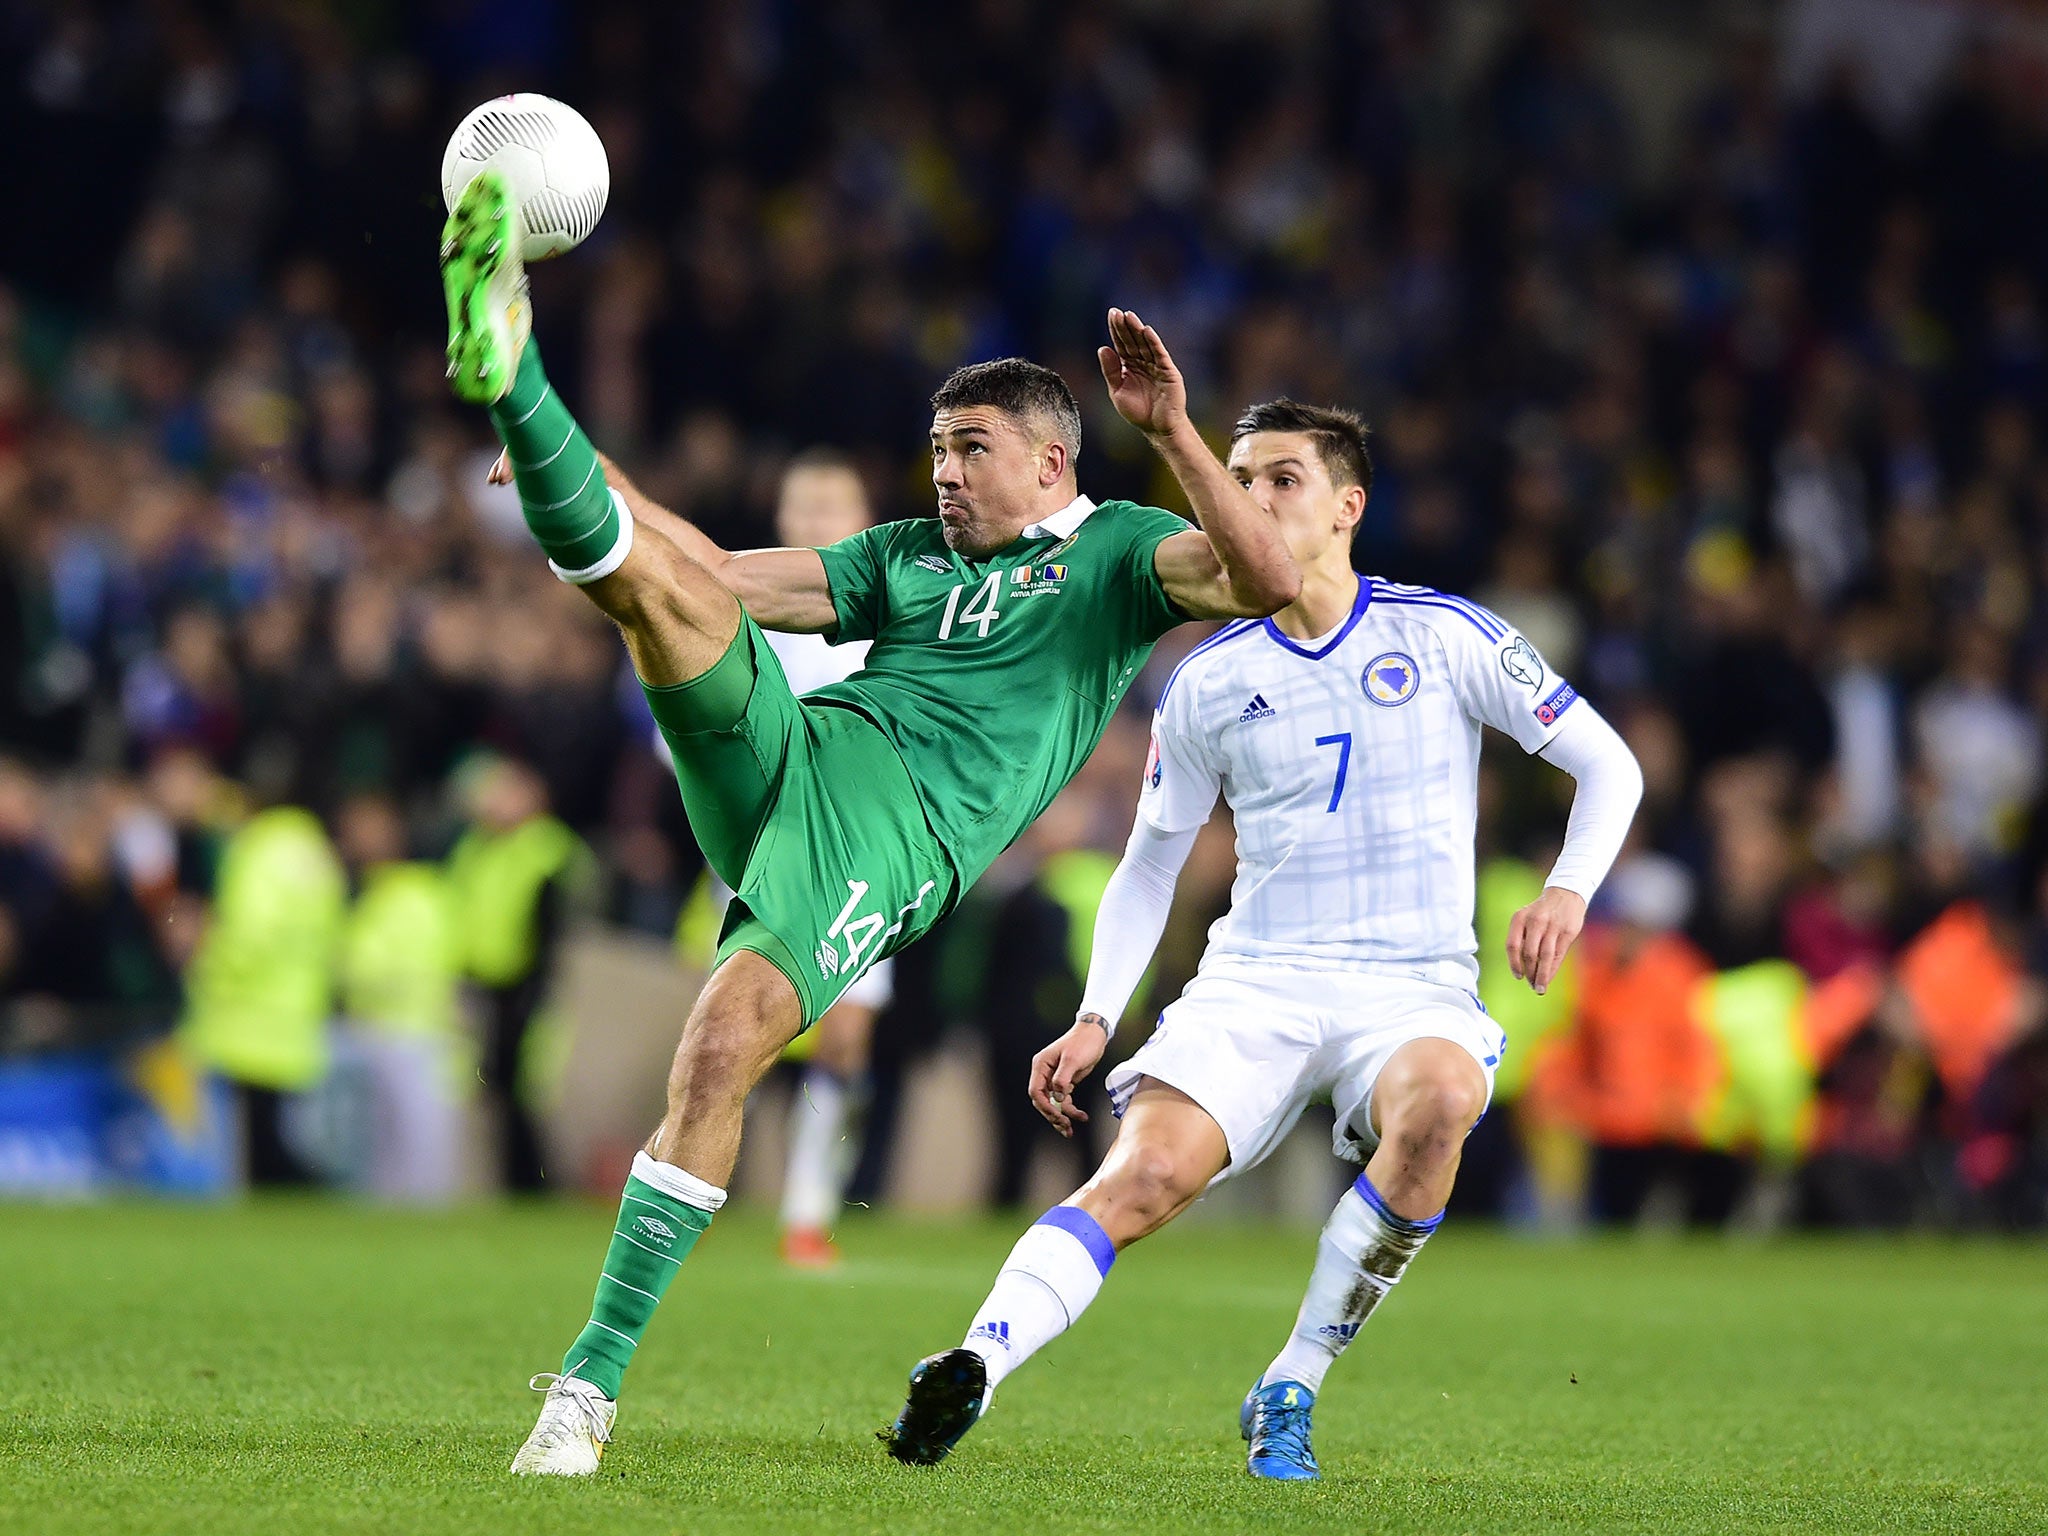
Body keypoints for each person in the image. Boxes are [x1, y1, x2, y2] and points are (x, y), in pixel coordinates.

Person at [438, 167, 1300, 1474]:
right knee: (659, 600)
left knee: (720, 1047)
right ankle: (515, 373)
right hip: (799, 757)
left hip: (894, 838)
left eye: (974, 450)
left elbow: (1267, 576)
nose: (944, 473)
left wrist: (1178, 432)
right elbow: (719, 575)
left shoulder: (1118, 553)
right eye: (939, 448)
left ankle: (588, 1391)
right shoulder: (902, 557)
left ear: (1053, 460)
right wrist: (590, 466)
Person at [882, 400, 1644, 1477]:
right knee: (1142, 1179)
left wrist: (1566, 891)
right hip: (1254, 982)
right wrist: (1098, 1011)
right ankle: (972, 1362)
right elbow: (1148, 863)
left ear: (1348, 506)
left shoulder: (1443, 634)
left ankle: (1290, 1382)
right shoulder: (1206, 678)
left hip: (1408, 986)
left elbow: (1607, 765)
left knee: (1438, 1109)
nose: (1251, 498)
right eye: (1238, 477)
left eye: (1280, 478)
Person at [446, 755, 589, 1193]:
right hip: (487, 984)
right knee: (499, 1087)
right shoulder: (478, 848)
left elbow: (551, 925)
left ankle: (537, 1182)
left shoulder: (547, 849)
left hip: (528, 985)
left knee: (524, 1086)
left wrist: (539, 985)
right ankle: (517, 1183)